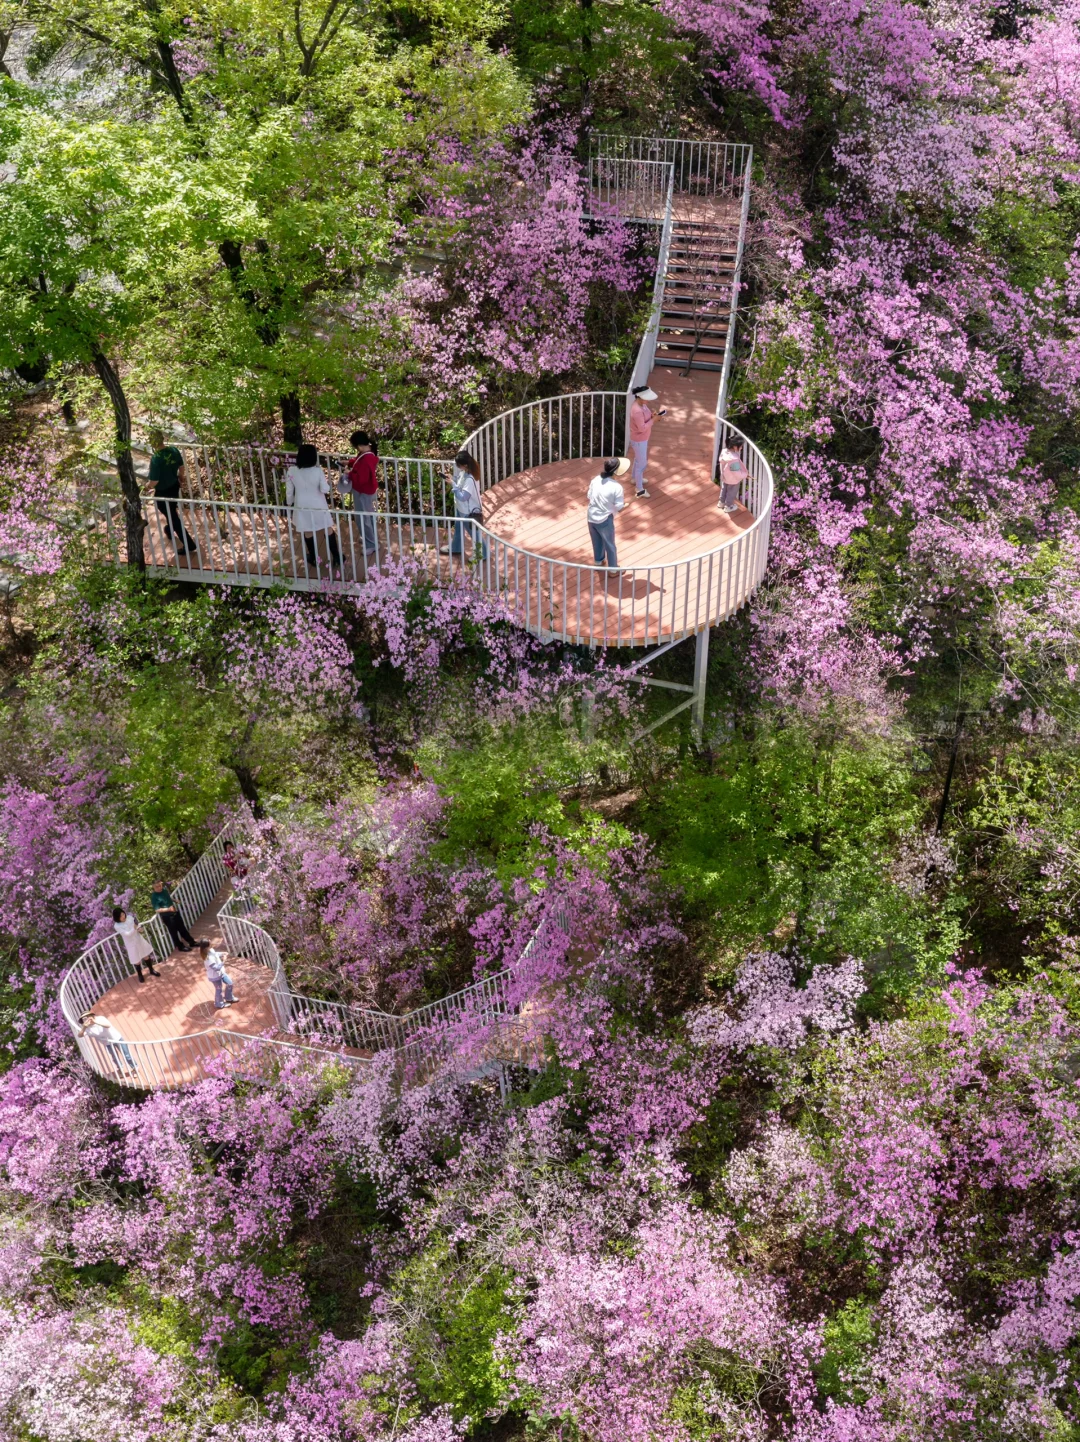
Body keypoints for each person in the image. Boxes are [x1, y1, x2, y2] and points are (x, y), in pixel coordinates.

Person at [285, 443, 342, 579]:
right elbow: (324, 489)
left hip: (302, 505)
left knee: (308, 530)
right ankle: (337, 557)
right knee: (327, 529)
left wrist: (289, 503)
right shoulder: (317, 471)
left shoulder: (292, 471)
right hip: (318, 504)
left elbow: (289, 491)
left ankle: (314, 558)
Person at [144, 428, 198, 562]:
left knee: (172, 516)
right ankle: (169, 529)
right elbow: (181, 466)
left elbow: (154, 481)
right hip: (174, 486)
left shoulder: (156, 459)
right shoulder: (173, 450)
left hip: (163, 492)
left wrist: (146, 487)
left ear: (152, 442)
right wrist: (181, 476)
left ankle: (189, 544)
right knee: (171, 512)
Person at [586, 457, 631, 569]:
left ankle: (598, 561)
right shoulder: (616, 487)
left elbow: (589, 496)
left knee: (597, 541)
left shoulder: (595, 480)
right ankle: (613, 569)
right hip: (605, 519)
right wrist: (627, 505)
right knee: (610, 545)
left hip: (591, 516)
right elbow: (619, 507)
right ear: (616, 471)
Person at [443, 451, 488, 562]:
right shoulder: (465, 472)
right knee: (458, 528)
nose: (458, 467)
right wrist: (453, 479)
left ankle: (483, 554)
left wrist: (452, 485)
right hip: (461, 508)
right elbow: (459, 483)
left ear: (465, 465)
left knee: (474, 532)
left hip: (467, 511)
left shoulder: (470, 479)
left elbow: (463, 496)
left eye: (458, 465)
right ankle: (456, 547)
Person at [341, 431, 379, 557]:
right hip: (368, 491)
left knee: (362, 518)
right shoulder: (369, 453)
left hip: (362, 492)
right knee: (369, 516)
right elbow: (359, 462)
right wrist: (349, 463)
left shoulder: (366, 457)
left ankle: (371, 545)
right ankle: (371, 539)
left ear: (358, 445)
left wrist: (349, 473)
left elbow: (361, 478)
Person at [628, 385, 667, 498]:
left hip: (642, 439)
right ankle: (639, 488)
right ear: (639, 397)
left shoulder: (642, 405)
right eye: (647, 398)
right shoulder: (637, 411)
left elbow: (646, 417)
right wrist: (654, 420)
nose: (649, 400)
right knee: (642, 464)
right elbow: (642, 428)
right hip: (639, 439)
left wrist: (653, 416)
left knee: (638, 460)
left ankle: (634, 479)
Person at [113, 906, 160, 982]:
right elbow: (127, 934)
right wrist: (134, 927)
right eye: (120, 916)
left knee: (146, 956)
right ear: (117, 918)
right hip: (130, 943)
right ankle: (140, 975)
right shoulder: (117, 926)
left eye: (123, 914)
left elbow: (137, 925)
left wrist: (139, 928)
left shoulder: (129, 917)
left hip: (138, 939)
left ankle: (151, 970)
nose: (123, 916)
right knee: (137, 960)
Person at [151, 880, 196, 953]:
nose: (159, 887)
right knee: (174, 932)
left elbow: (168, 897)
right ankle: (180, 947)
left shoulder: (164, 890)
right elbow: (157, 910)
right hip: (167, 917)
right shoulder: (154, 896)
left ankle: (192, 942)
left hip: (175, 913)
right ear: (154, 887)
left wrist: (175, 900)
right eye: (157, 886)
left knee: (182, 928)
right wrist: (168, 909)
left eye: (160, 885)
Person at [199, 939, 236, 1009]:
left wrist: (222, 953)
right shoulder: (208, 958)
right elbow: (216, 968)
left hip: (221, 973)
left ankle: (229, 997)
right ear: (206, 947)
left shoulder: (211, 950)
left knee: (230, 983)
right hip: (215, 977)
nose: (211, 942)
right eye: (210, 942)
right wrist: (224, 960)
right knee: (219, 990)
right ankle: (219, 1004)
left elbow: (215, 954)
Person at [717, 439, 748, 513]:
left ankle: (721, 502)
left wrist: (722, 473)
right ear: (734, 446)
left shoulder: (725, 451)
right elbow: (736, 473)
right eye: (740, 446)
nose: (741, 448)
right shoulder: (733, 459)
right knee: (731, 492)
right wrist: (745, 475)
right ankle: (728, 506)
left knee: (724, 489)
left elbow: (722, 463)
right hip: (733, 480)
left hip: (725, 476)